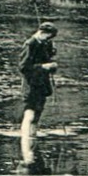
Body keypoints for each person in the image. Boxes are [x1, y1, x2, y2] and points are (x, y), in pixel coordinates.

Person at [18, 22, 59, 166]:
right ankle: (26, 144)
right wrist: (44, 66)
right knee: (29, 113)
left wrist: (51, 61)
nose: (49, 40)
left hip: (42, 84)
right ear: (42, 32)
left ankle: (32, 137)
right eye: (49, 37)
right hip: (31, 84)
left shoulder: (45, 44)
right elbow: (23, 67)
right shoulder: (30, 44)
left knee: (39, 111)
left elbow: (47, 61)